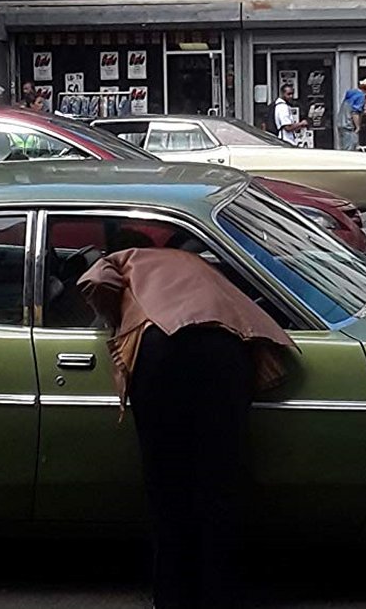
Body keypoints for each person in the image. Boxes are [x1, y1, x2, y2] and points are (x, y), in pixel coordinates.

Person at [78, 245, 296, 609]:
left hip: (160, 350)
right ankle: (218, 593)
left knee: (166, 483)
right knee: (220, 480)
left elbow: (96, 282)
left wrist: (115, 317)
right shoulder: (193, 260)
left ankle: (172, 595)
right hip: (224, 349)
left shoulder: (123, 258)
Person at [336, 86, 364, 151]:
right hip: (349, 126)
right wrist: (357, 126)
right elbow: (355, 113)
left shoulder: (347, 100)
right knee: (350, 149)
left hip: (341, 124)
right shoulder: (360, 97)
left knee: (343, 147)